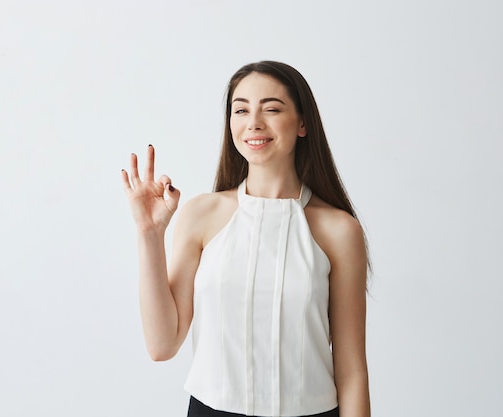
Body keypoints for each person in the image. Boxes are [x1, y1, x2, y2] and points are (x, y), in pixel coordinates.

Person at [121, 61, 370, 417]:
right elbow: (162, 344)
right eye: (241, 110)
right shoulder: (201, 215)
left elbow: (352, 371)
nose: (253, 122)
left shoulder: (339, 230)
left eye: (271, 108)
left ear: (303, 123)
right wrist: (149, 233)